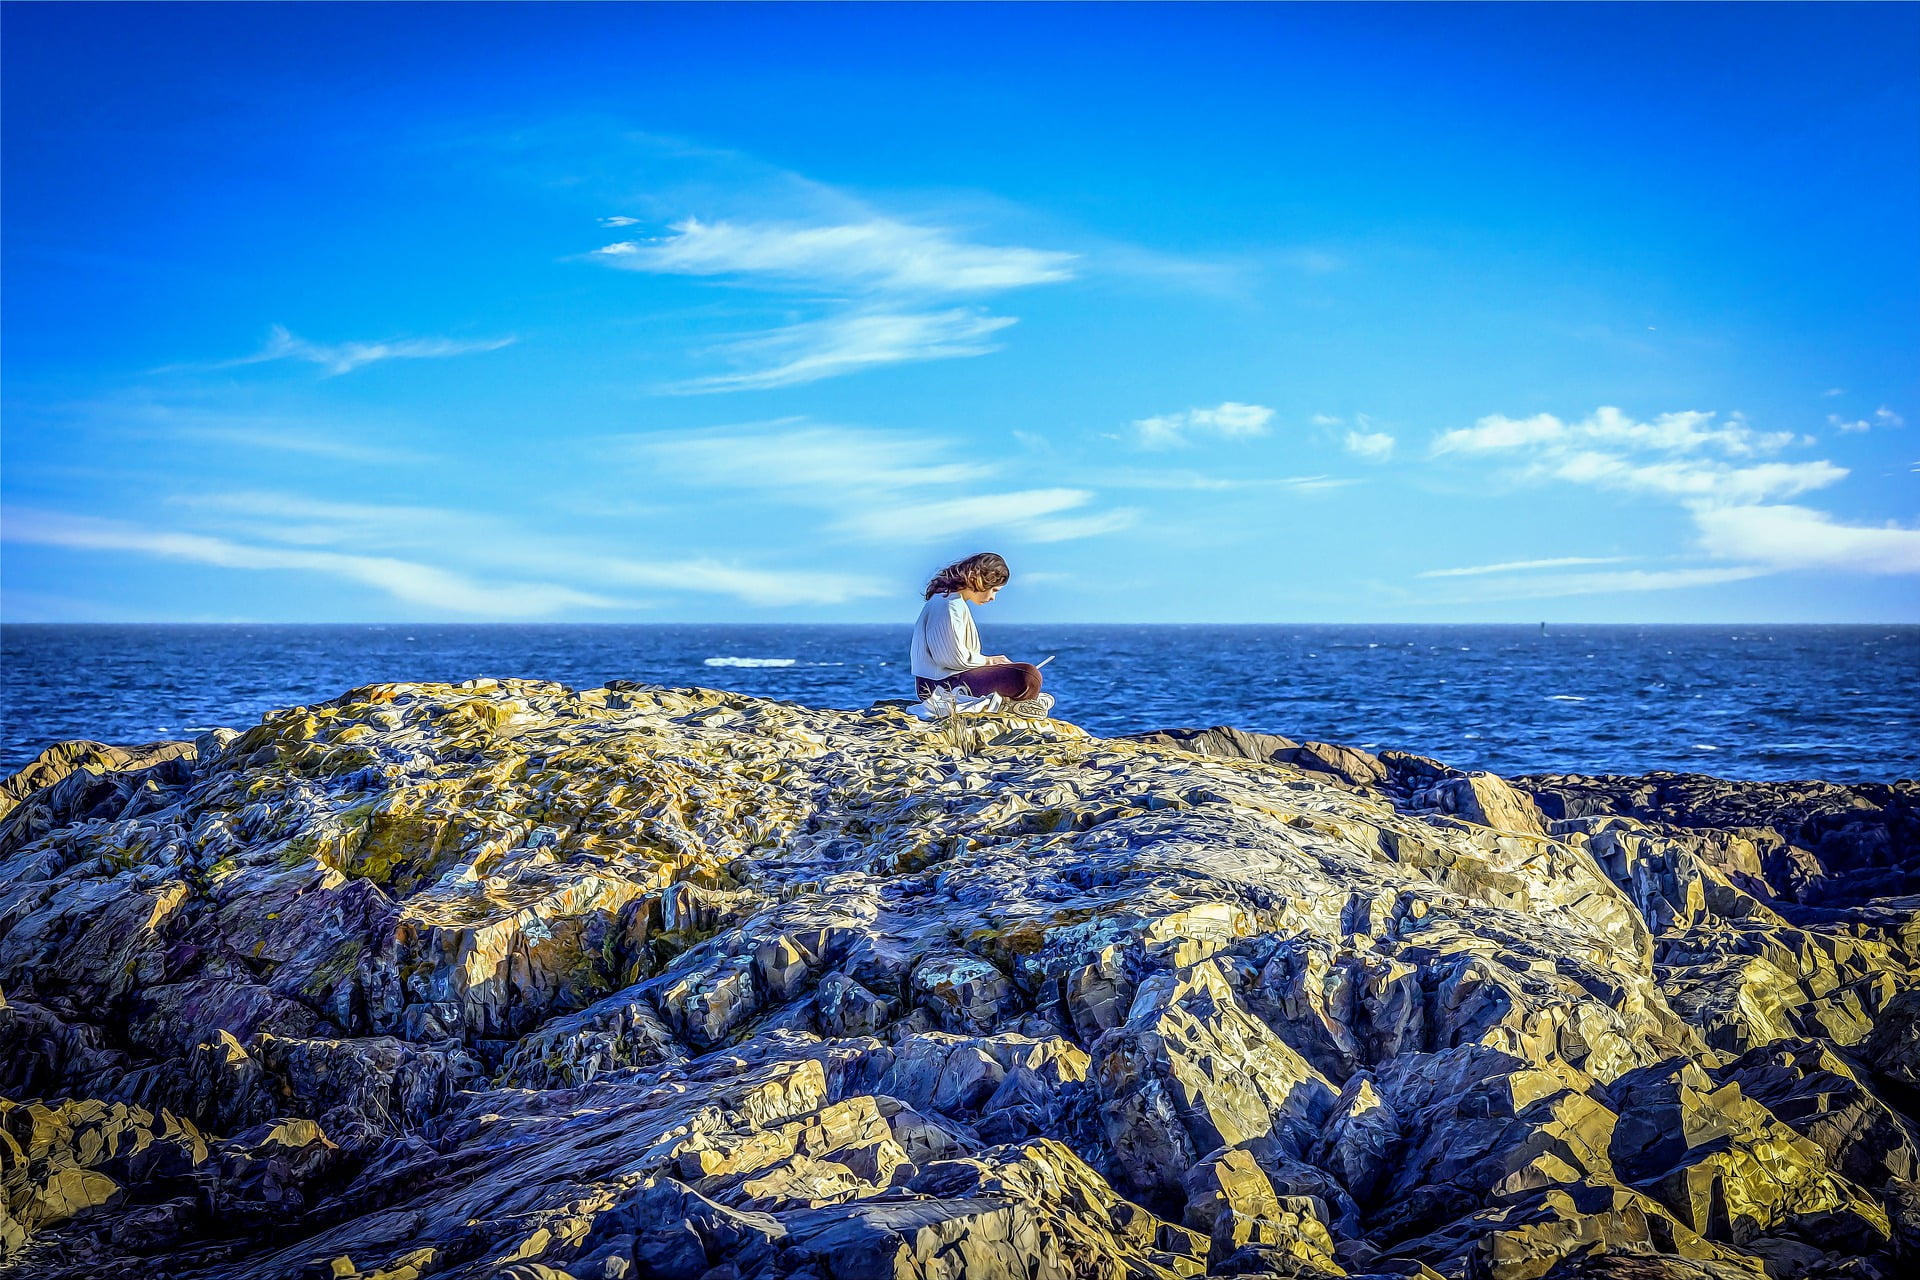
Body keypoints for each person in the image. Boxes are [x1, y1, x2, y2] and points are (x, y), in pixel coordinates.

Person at [909, 551, 1049, 712]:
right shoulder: (948, 605)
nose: (993, 598)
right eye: (994, 590)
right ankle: (1016, 704)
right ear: (979, 580)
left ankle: (1015, 703)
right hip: (939, 685)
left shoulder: (949, 602)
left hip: (942, 680)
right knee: (1028, 675)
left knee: (1025, 673)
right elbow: (952, 659)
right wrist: (991, 661)